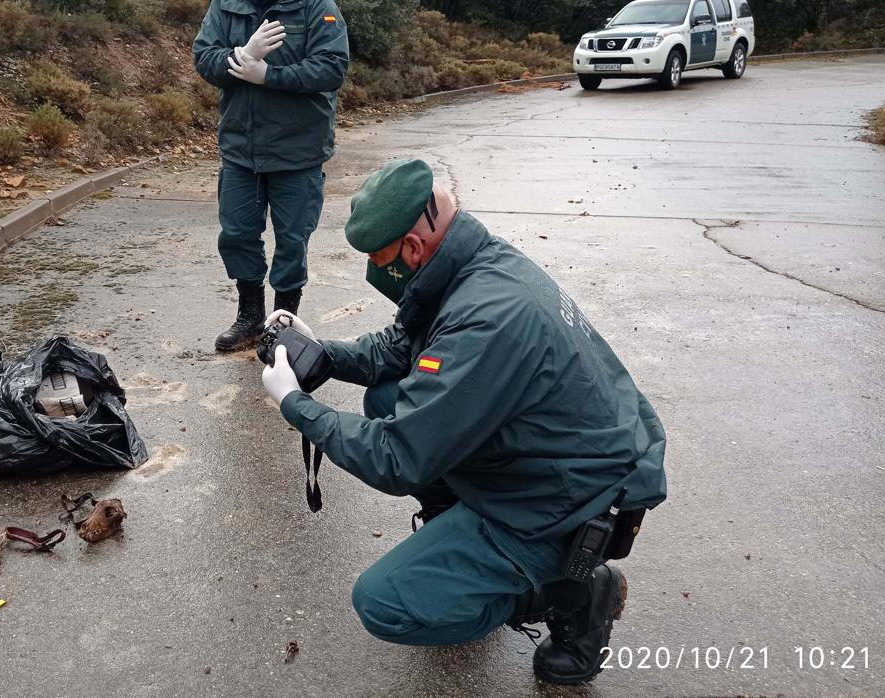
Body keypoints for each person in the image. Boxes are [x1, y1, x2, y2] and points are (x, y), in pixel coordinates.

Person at [258, 159, 668, 684]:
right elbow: (396, 348)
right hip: (557, 456)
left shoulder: (488, 315)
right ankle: (467, 536)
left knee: (384, 603)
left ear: (411, 247)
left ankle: (572, 593)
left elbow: (396, 457)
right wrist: (320, 354)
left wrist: (297, 404)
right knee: (388, 397)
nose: (373, 270)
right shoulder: (468, 263)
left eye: (376, 258)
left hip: (569, 501)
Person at [193, 0, 349, 351]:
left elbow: (331, 68)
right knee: (237, 234)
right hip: (240, 147)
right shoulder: (226, 5)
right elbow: (204, 57)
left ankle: (282, 325)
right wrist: (239, 56)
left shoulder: (317, 7)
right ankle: (250, 318)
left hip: (298, 150)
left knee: (293, 241)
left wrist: (267, 75)